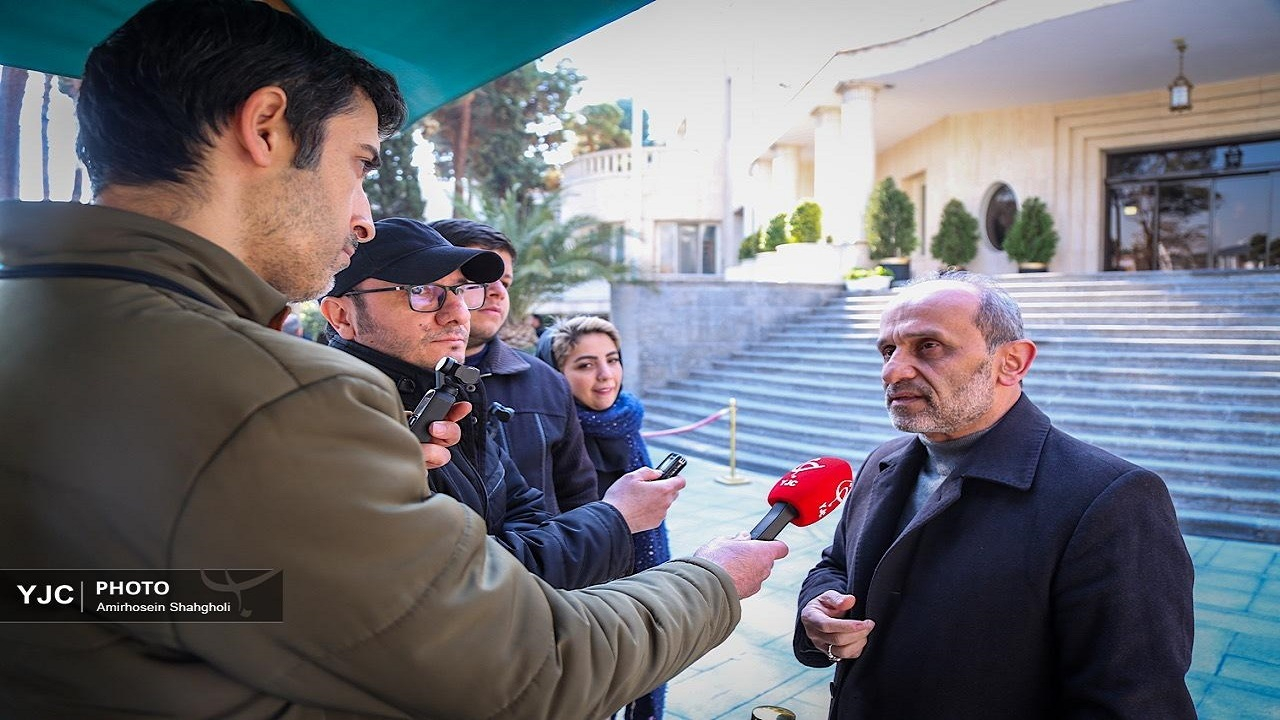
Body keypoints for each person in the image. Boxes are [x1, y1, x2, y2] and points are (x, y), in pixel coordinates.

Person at [0, 1, 788, 717]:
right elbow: (526, 669)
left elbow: (87, 599)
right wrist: (712, 580)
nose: (365, 216)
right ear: (266, 125)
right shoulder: (272, 395)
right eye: (361, 164)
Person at [793, 271, 1195, 719]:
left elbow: (1133, 702)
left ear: (1013, 362)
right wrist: (817, 609)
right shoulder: (881, 462)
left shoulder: (1112, 500)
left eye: (929, 346)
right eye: (888, 350)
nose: (893, 370)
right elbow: (837, 565)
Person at [319, 218, 676, 590]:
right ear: (341, 315)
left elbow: (526, 510)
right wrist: (616, 517)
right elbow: (462, 583)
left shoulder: (455, 399)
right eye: (421, 290)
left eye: (461, 290)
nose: (457, 313)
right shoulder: (320, 423)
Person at [537, 316, 675, 720]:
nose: (604, 376)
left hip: (644, 574)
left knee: (645, 665)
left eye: (612, 360)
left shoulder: (626, 418)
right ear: (556, 375)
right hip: (584, 589)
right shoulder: (552, 435)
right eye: (584, 365)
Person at [431, 217, 599, 513]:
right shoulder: (376, 381)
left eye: (505, 281)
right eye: (478, 279)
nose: (498, 291)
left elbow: (578, 497)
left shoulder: (547, 383)